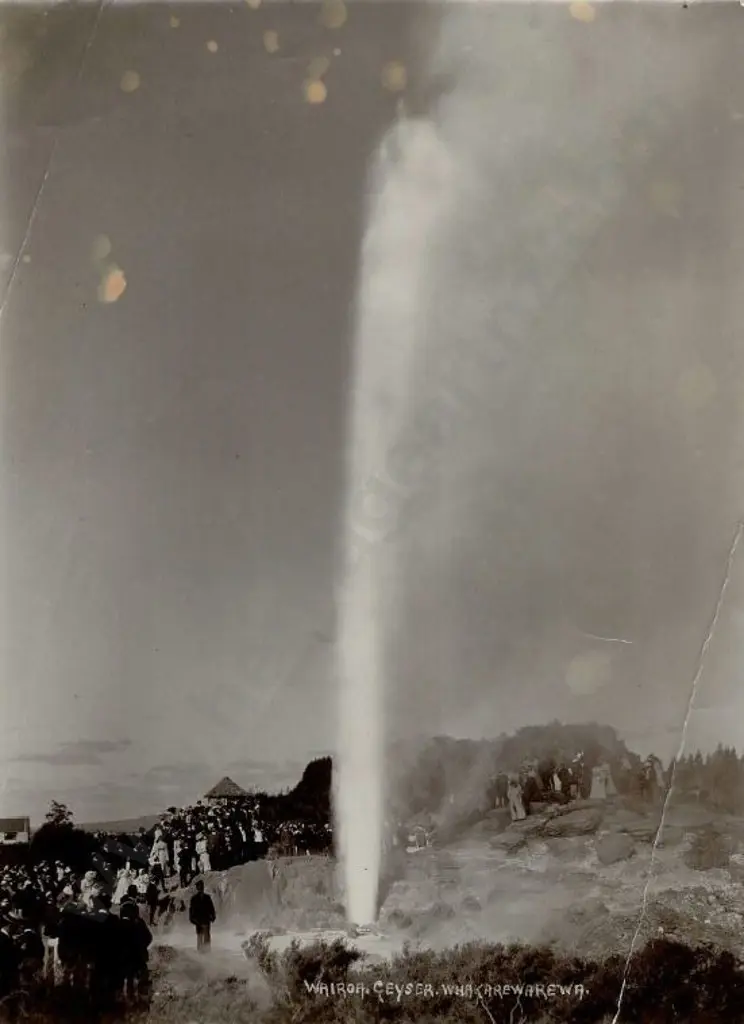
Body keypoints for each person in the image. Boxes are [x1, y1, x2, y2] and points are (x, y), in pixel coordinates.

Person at [188, 880, 216, 953]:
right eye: (200, 886)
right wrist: (192, 918)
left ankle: (207, 952)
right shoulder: (194, 899)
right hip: (198, 920)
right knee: (200, 937)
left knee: (207, 937)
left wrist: (213, 916)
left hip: (206, 919)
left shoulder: (207, 897)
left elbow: (211, 908)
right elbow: (191, 910)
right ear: (197, 888)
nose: (201, 888)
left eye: (202, 886)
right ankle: (200, 954)